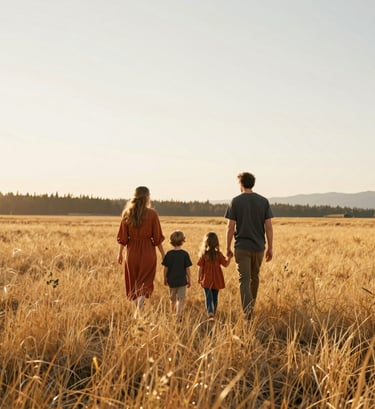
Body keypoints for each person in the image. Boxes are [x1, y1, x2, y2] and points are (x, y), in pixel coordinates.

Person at [224, 172, 273, 320]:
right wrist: (270, 247)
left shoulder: (235, 201)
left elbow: (230, 228)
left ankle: (248, 311)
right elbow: (269, 227)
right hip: (259, 247)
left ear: (241, 184)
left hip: (241, 247)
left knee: (244, 279)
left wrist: (227, 247)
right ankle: (251, 306)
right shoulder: (263, 201)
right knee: (254, 277)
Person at [117, 186, 165, 318]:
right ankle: (139, 310)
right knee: (145, 281)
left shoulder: (127, 213)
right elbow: (157, 238)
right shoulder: (152, 214)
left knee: (132, 281)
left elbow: (123, 238)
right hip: (148, 251)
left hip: (131, 252)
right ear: (147, 197)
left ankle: (137, 311)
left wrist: (120, 253)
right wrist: (163, 254)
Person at [197, 232, 232, 319]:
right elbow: (226, 264)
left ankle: (210, 312)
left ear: (206, 243)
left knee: (208, 297)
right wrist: (229, 258)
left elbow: (200, 268)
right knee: (215, 298)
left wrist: (199, 277)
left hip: (206, 280)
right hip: (217, 280)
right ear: (216, 243)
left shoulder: (204, 255)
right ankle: (213, 313)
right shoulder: (218, 255)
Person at [162, 230, 192, 320]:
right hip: (182, 280)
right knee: (181, 299)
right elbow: (187, 269)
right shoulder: (184, 254)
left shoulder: (169, 254)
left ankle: (172, 313)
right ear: (183, 241)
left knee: (172, 299)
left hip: (171, 280)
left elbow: (165, 268)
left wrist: (164, 278)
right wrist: (189, 279)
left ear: (172, 241)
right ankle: (178, 315)